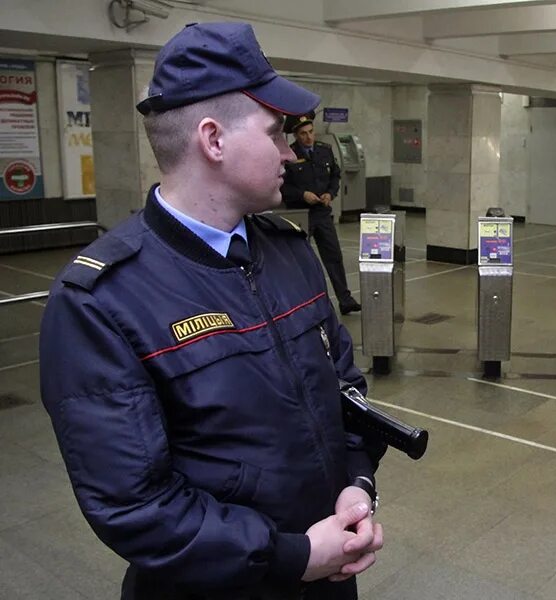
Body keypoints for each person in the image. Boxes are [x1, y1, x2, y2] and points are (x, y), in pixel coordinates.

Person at [39, 22, 386, 600]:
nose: (290, 151)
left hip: (328, 571)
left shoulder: (288, 252)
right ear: (213, 139)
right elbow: (135, 504)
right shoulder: (100, 302)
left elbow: (344, 387)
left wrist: (358, 481)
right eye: (276, 132)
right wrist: (292, 555)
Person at [281, 115, 362, 315]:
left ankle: (345, 300)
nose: (308, 137)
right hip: (300, 214)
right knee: (301, 260)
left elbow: (335, 175)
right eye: (303, 134)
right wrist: (302, 194)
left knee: (333, 255)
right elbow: (281, 186)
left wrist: (330, 193)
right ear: (295, 135)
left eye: (310, 132)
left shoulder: (324, 151)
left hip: (322, 213)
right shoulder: (288, 155)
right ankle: (302, 303)